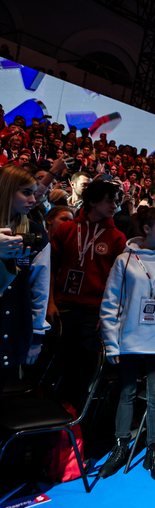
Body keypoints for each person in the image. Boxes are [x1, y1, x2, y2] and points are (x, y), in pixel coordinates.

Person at [98, 207, 155, 482]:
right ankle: (121, 446)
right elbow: (110, 304)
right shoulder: (125, 260)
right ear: (147, 228)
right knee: (126, 395)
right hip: (129, 339)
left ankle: (153, 450)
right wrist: (111, 343)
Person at [48, 181, 126, 353]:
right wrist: (50, 302)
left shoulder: (118, 237)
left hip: (94, 311)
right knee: (57, 356)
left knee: (83, 360)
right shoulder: (66, 229)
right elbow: (50, 268)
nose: (114, 206)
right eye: (109, 201)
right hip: (61, 306)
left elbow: (119, 282)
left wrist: (108, 313)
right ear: (92, 201)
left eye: (116, 201)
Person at [0, 166, 50, 393]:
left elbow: (39, 288)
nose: (33, 199)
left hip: (13, 327)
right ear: (8, 191)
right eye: (26, 192)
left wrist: (37, 335)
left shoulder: (36, 233)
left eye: (34, 193)